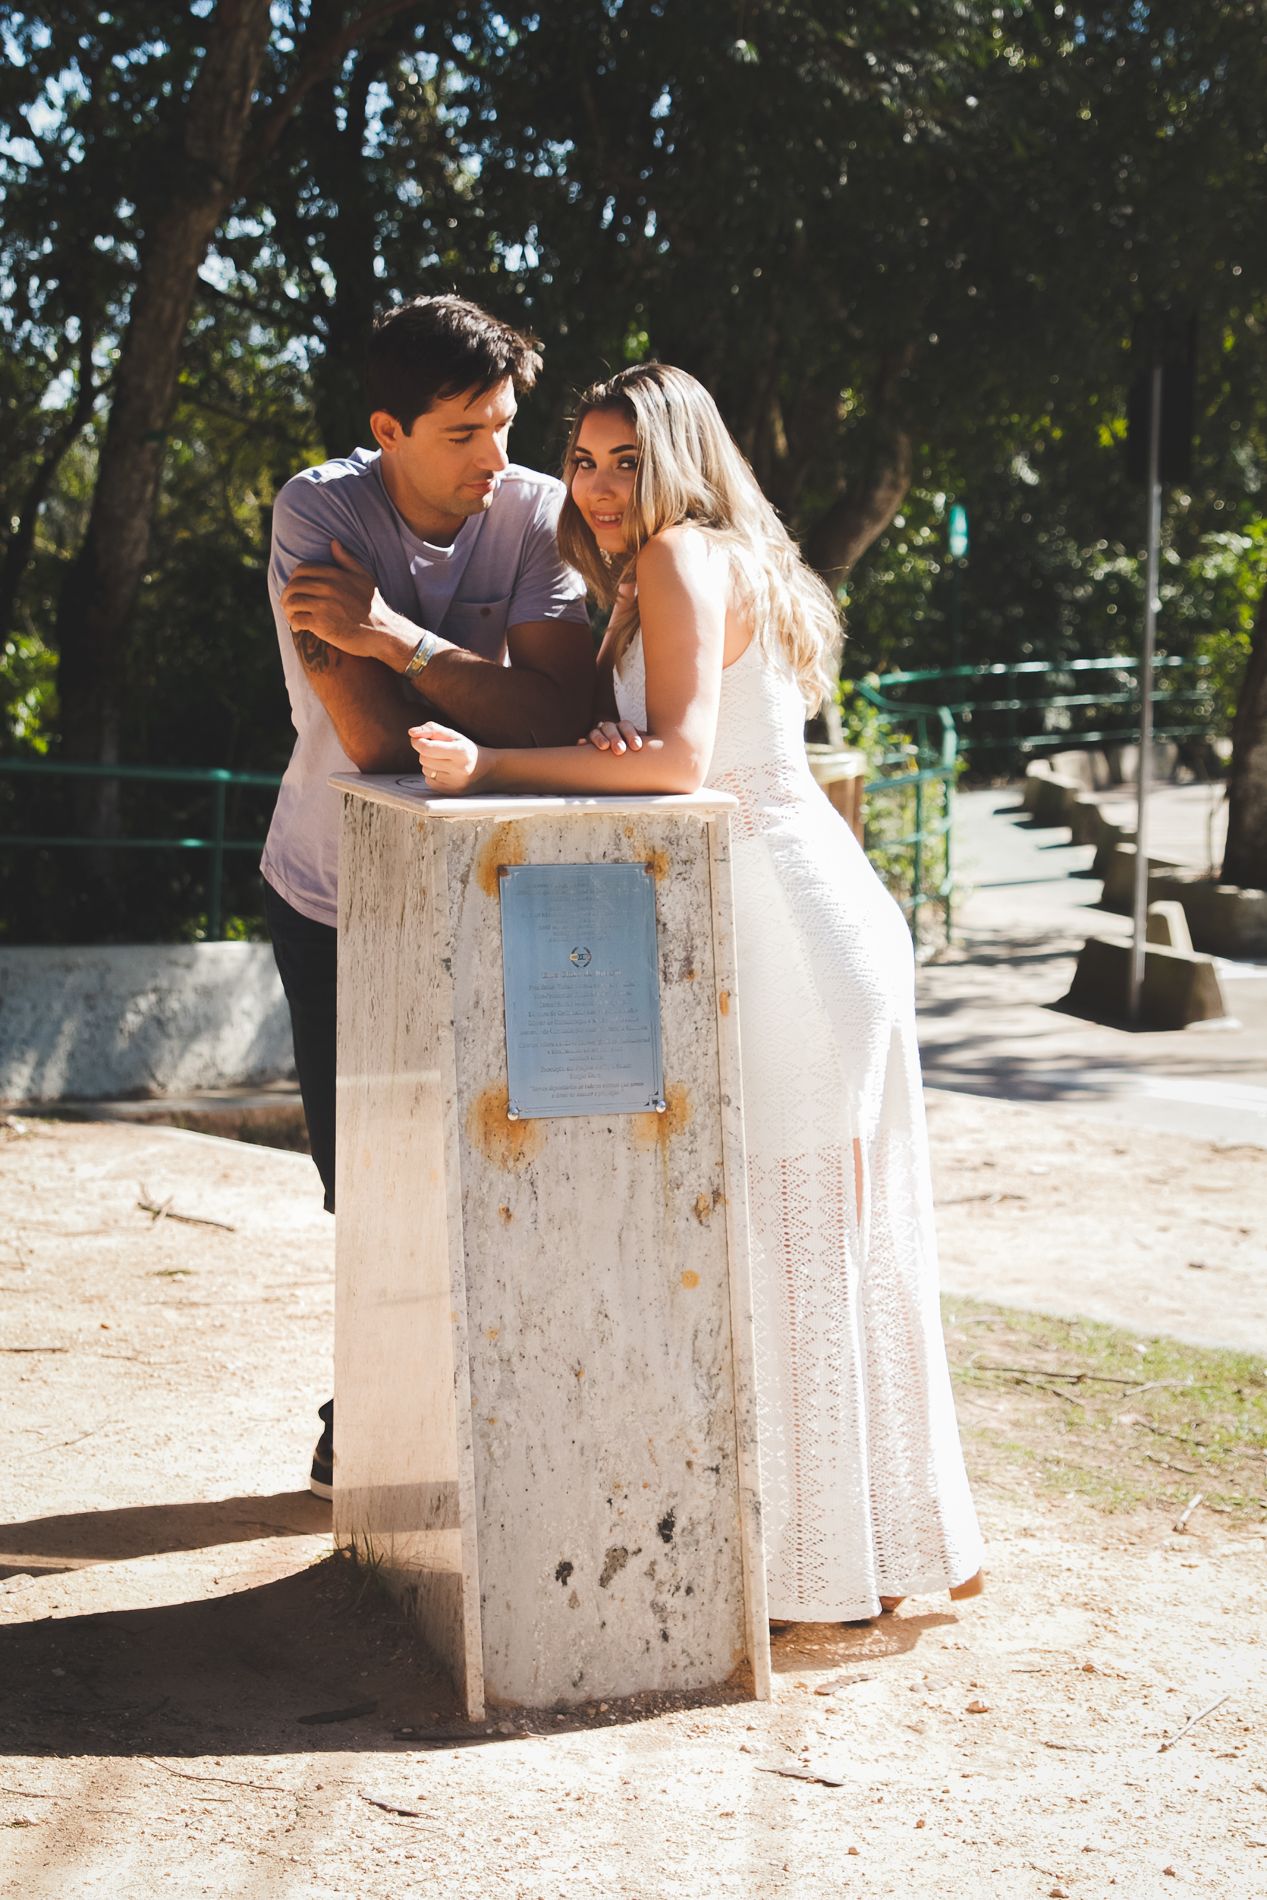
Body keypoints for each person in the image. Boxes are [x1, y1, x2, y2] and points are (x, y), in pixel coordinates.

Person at [406, 362, 984, 1622]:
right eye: (588, 459)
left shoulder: (675, 562)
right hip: (824, 913)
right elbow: (689, 748)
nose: (601, 486)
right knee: (842, 1230)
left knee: (788, 1232)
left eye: (626, 461)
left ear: (676, 458)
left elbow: (677, 765)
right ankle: (887, 1543)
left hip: (786, 927)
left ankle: (814, 1572)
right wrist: (610, 752)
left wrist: (495, 761)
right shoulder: (720, 558)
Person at [261, 295, 594, 1497]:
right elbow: (368, 741)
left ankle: (473, 1421)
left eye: (506, 424)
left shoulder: (534, 511)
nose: (497, 460)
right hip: (332, 896)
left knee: (495, 1163)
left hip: (495, 899)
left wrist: (395, 634)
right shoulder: (319, 508)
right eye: (464, 434)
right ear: (387, 428)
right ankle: (377, 1413)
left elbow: (560, 716)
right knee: (366, 1177)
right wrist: (479, 686)